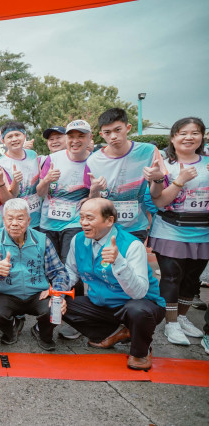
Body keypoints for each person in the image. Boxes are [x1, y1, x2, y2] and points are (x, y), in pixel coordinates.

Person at [63, 198, 165, 371]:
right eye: (81, 217)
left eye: (90, 218)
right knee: (59, 305)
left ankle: (141, 351)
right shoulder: (78, 240)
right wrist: (57, 290)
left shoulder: (132, 245)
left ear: (109, 220)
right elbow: (71, 272)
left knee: (137, 310)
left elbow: (139, 293)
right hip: (102, 303)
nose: (84, 223)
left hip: (137, 304)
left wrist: (119, 262)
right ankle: (115, 332)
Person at [147, 117, 209, 345]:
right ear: (173, 138)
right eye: (183, 133)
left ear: (202, 137)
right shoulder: (164, 165)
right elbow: (159, 201)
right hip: (171, 230)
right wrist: (180, 180)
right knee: (172, 277)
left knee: (192, 280)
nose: (189, 137)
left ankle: (182, 317)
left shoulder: (208, 163)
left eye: (195, 133)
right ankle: (170, 323)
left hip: (203, 232)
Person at [0, 198, 69, 350]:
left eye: (20, 218)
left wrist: (57, 293)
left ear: (28, 220)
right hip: (8, 294)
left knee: (56, 306)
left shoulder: (42, 240)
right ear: (3, 220)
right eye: (10, 218)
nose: (14, 223)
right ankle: (12, 327)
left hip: (38, 294)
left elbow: (59, 272)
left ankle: (41, 332)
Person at [85, 108, 166, 242]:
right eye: (107, 132)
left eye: (118, 130)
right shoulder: (93, 160)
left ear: (128, 128)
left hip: (136, 227)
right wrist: (94, 190)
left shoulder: (149, 152)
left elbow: (156, 194)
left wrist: (158, 178)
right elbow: (94, 201)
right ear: (101, 134)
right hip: (105, 228)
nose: (113, 136)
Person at [37, 120, 92, 262]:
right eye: (71, 137)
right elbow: (40, 193)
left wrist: (92, 196)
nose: (75, 141)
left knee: (69, 262)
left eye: (81, 136)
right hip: (48, 223)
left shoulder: (94, 161)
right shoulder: (53, 159)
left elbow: (97, 196)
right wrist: (46, 180)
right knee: (50, 264)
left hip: (75, 223)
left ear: (90, 137)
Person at [0, 121, 43, 230]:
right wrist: (15, 182)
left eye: (17, 135)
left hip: (39, 217)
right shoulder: (1, 164)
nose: (14, 139)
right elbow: (7, 199)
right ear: (3, 141)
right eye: (9, 137)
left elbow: (40, 182)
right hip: (17, 222)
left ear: (24, 136)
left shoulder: (32, 154)